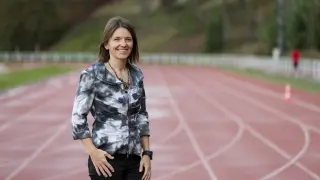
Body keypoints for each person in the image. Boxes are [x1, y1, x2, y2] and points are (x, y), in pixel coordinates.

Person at [71, 16, 152, 180]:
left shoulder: (137, 75)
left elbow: (142, 116)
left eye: (128, 39)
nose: (123, 44)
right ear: (107, 44)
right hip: (106, 160)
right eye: (117, 39)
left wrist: (147, 153)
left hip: (136, 161)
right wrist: (93, 152)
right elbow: (78, 117)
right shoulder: (92, 75)